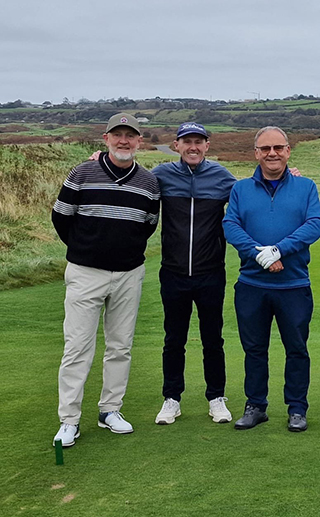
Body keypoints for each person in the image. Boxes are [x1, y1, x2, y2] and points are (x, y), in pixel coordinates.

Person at [51, 113, 160, 447]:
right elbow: (61, 218)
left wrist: (120, 252)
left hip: (128, 273)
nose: (124, 141)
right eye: (118, 135)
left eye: (130, 135)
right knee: (78, 346)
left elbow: (148, 223)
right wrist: (87, 250)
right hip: (86, 273)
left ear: (139, 141)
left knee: (120, 346)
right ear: (106, 139)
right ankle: (69, 419)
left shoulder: (149, 182)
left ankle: (110, 410)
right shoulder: (82, 172)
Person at [222, 126, 320, 432]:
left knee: (296, 349)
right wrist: (259, 255)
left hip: (293, 285)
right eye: (265, 149)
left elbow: (314, 225)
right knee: (254, 349)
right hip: (252, 285)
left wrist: (278, 251)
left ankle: (297, 408)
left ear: (288, 150)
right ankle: (256, 406)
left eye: (278, 147)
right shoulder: (240, 189)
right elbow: (231, 225)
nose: (272, 153)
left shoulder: (305, 187)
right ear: (256, 153)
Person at [151, 122, 236, 426]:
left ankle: (216, 397)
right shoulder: (161, 175)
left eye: (199, 142)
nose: (193, 147)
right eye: (187, 142)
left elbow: (255, 191)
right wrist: (98, 160)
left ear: (207, 146)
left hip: (210, 272)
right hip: (173, 272)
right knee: (174, 339)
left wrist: (290, 176)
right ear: (177, 145)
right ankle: (172, 398)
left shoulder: (222, 178)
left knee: (213, 338)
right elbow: (130, 180)